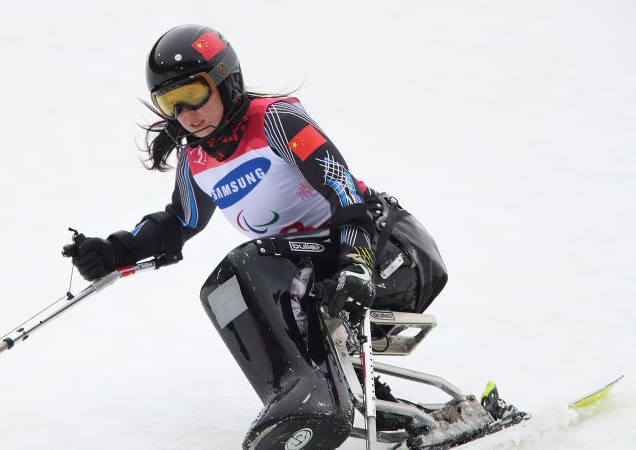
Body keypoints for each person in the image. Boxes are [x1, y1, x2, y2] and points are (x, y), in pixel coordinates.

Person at [65, 24, 448, 450]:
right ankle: (301, 397)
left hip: (390, 253)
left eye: (192, 92)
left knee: (250, 261)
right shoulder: (196, 159)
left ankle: (310, 397)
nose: (186, 113)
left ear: (227, 81)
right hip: (316, 275)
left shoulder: (276, 121)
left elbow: (344, 195)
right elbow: (179, 223)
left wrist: (356, 265)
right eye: (170, 102)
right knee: (222, 290)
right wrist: (113, 251)